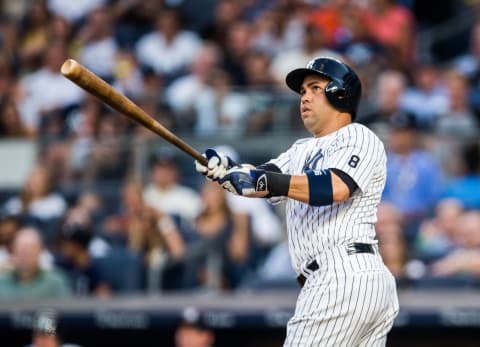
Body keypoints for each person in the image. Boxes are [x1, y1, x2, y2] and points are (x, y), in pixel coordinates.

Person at [195, 56, 399, 346]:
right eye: (303, 91)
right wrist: (227, 171)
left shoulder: (357, 136)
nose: (304, 97)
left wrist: (258, 180)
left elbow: (336, 186)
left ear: (339, 92)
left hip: (343, 275)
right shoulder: (301, 149)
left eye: (315, 88)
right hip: (341, 281)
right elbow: (264, 178)